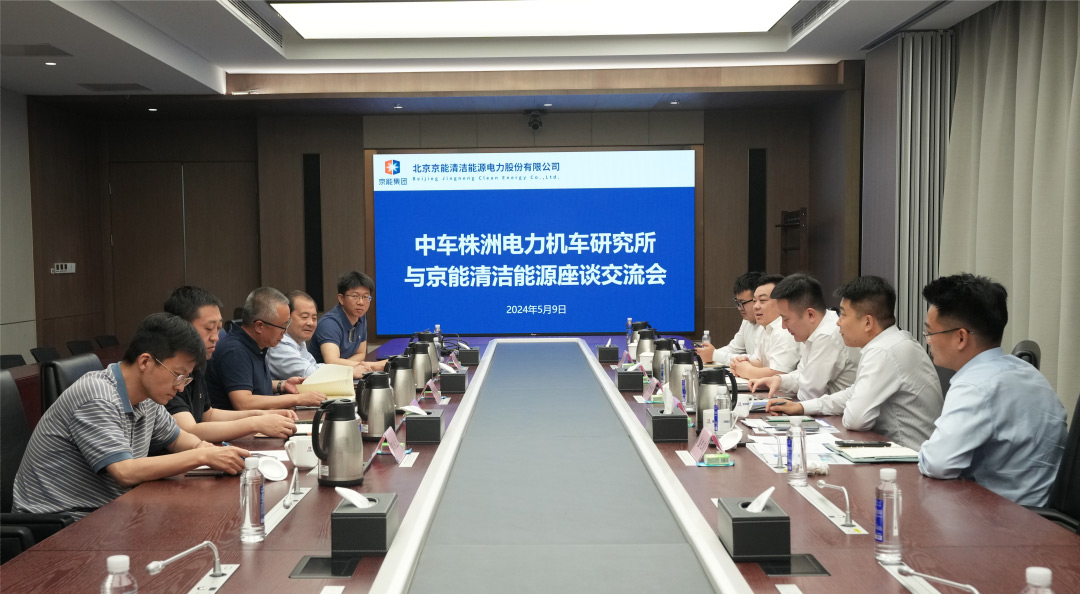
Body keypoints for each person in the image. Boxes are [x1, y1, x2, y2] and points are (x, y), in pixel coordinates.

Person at [12, 313, 249, 519]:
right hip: (58, 524)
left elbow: (178, 439)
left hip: (108, 514)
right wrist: (202, 455)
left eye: (185, 379)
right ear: (145, 361)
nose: (180, 387)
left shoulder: (147, 397)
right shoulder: (98, 396)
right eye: (178, 375)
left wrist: (209, 450)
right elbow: (126, 471)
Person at [918, 273, 1066, 506]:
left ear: (960, 338)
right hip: (1040, 514)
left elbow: (937, 463)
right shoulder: (1029, 373)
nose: (928, 341)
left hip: (1002, 517)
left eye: (930, 333)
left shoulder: (974, 386)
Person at [765, 276, 943, 449]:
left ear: (867, 322)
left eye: (843, 314)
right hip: (898, 449)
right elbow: (853, 393)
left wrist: (814, 406)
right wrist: (801, 407)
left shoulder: (882, 351)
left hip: (909, 456)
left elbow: (855, 419)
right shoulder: (894, 341)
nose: (838, 322)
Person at [163, 286, 297, 442]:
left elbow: (208, 415)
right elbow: (189, 430)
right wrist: (255, 423)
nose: (215, 337)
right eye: (209, 328)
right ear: (181, 326)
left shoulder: (198, 365)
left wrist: (261, 415)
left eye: (218, 329)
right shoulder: (165, 371)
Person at [207, 287, 327, 411]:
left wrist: (282, 385)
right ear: (259, 326)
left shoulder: (258, 344)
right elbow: (244, 403)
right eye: (283, 326)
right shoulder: (235, 351)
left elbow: (251, 384)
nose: (285, 332)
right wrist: (297, 399)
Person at [748, 273, 859, 401]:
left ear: (810, 315)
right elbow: (802, 375)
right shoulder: (813, 330)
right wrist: (778, 380)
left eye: (786, 319)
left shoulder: (827, 335)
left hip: (837, 412)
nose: (783, 326)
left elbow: (809, 393)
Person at [267, 290, 371, 380]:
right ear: (287, 318)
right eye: (304, 317)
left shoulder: (299, 342)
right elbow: (309, 374)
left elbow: (314, 366)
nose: (310, 323)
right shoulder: (279, 343)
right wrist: (349, 372)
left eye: (314, 318)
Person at [309, 271, 385, 371]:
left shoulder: (360, 316)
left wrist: (350, 367)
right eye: (355, 296)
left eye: (365, 297)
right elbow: (331, 362)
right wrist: (374, 366)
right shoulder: (329, 324)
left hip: (344, 375)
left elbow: (361, 353)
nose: (361, 302)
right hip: (321, 377)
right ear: (341, 298)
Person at [730, 274, 799, 380]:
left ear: (782, 302)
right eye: (754, 301)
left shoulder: (786, 329)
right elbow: (761, 362)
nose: (756, 306)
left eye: (762, 300)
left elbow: (779, 373)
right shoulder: (764, 327)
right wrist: (741, 364)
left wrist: (746, 370)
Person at [696, 271, 764, 366]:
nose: (739, 308)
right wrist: (707, 354)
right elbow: (733, 348)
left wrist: (715, 355)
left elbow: (758, 360)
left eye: (743, 303)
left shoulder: (771, 324)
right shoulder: (747, 321)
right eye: (737, 303)